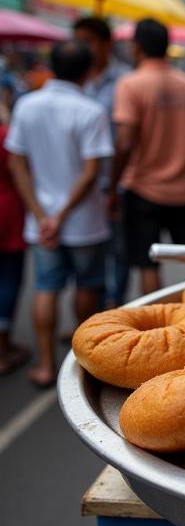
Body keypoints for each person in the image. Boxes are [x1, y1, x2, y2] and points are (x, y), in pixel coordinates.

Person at [5, 41, 113, 386]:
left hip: (42, 223)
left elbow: (16, 163)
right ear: (87, 71)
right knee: (88, 286)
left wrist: (42, 215)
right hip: (83, 222)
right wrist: (63, 214)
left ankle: (45, 365)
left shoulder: (27, 105)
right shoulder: (90, 110)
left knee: (46, 288)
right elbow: (92, 170)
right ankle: (88, 362)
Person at [110, 18, 185, 297]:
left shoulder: (130, 85)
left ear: (136, 47)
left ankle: (154, 327)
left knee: (148, 266)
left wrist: (113, 186)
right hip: (184, 190)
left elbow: (124, 143)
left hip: (142, 190)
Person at [73, 16, 131, 308]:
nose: (82, 48)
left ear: (107, 45)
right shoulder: (72, 81)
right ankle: (88, 318)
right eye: (78, 41)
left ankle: (115, 307)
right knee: (85, 259)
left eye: (88, 41)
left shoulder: (124, 80)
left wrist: (116, 183)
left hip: (114, 180)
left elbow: (127, 139)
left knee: (118, 251)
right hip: (80, 184)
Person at [0, 98, 28, 374]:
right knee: (8, 277)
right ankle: (3, 346)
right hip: (6, 212)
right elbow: (18, 168)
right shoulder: (5, 136)